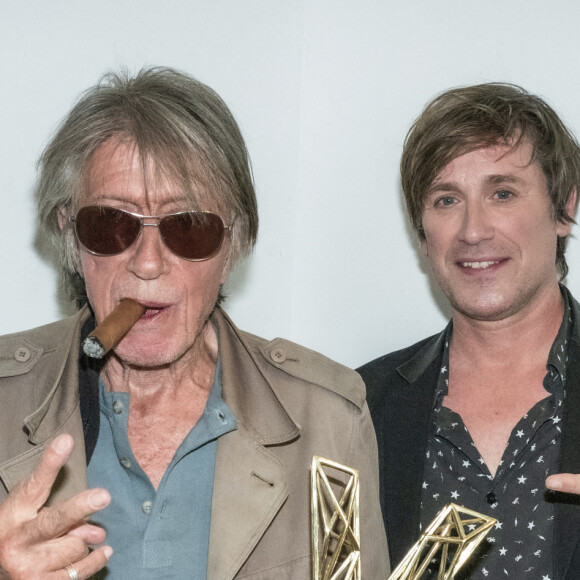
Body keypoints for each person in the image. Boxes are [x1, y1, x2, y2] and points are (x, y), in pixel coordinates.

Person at [0, 67, 389, 579]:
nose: (147, 263)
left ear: (234, 245)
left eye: (188, 227)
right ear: (70, 235)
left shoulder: (326, 419)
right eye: (112, 224)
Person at [358, 83, 580, 579]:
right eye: (446, 199)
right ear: (421, 231)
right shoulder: (360, 407)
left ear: (564, 209)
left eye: (502, 193)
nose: (472, 229)